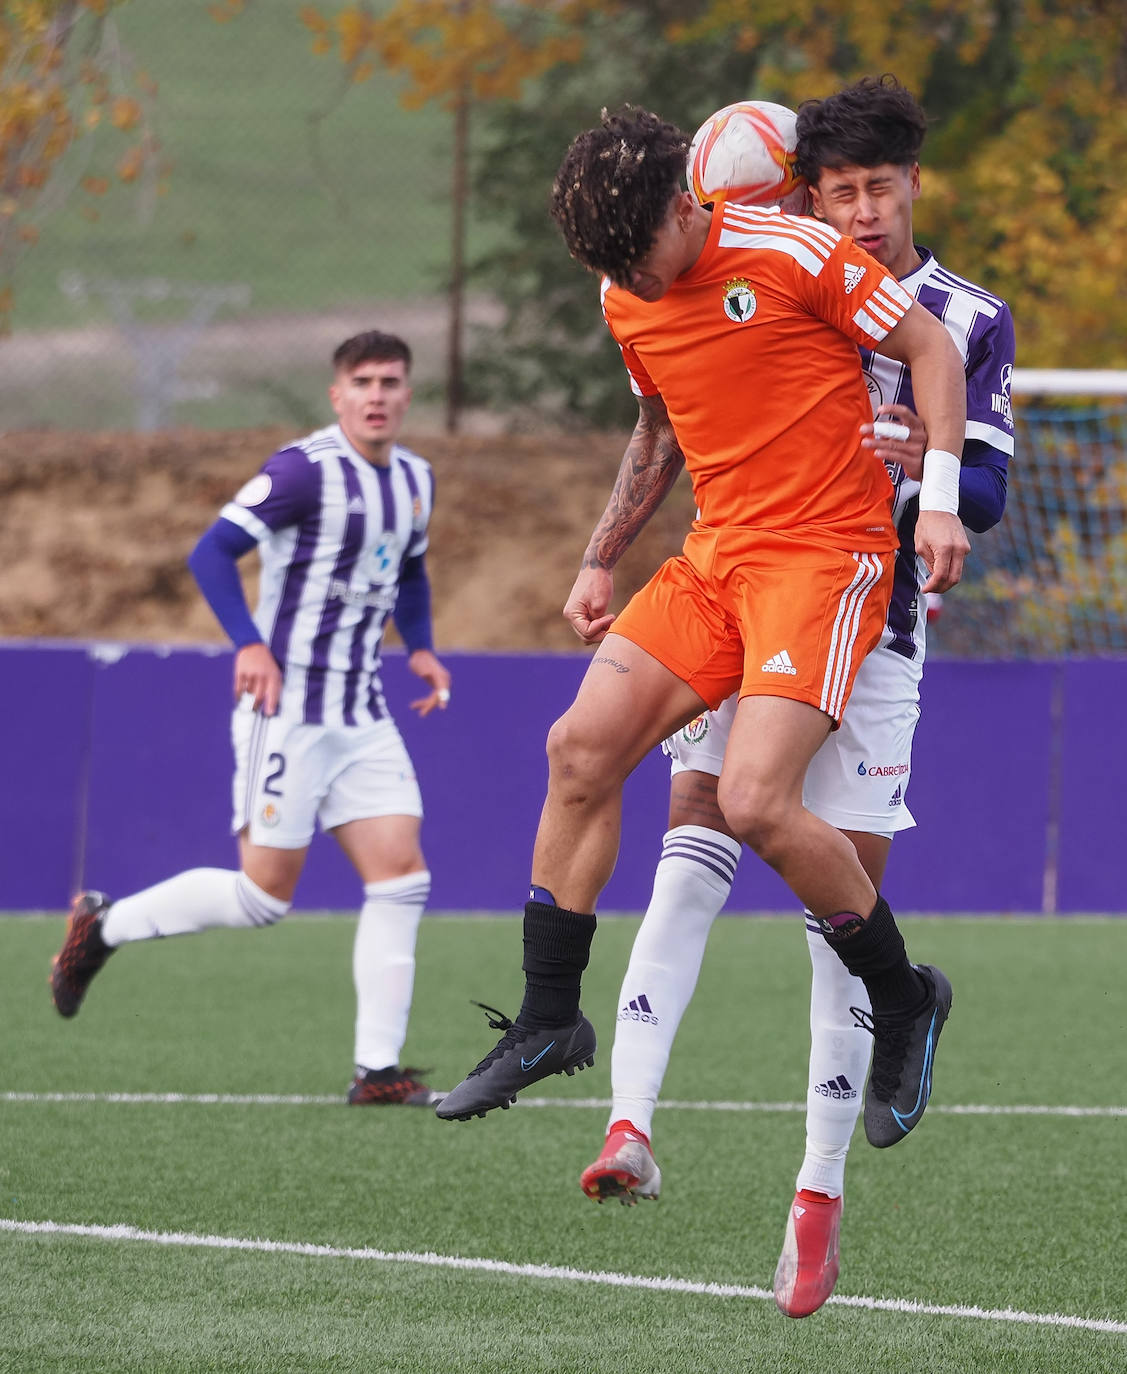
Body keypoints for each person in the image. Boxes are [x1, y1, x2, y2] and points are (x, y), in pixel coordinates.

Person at [436, 105, 970, 1149]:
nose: (632, 287)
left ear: (688, 205)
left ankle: (904, 998)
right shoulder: (619, 288)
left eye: (641, 261)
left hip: (824, 557)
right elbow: (657, 423)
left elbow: (931, 348)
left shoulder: (791, 248)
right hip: (714, 558)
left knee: (754, 802)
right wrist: (599, 554)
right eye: (613, 275)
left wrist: (940, 495)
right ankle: (549, 1019)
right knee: (578, 748)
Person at [578, 78, 1015, 1319]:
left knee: (840, 904)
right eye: (835, 194)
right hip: (753, 598)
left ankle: (813, 1201)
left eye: (878, 191)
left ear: (912, 188)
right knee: (692, 840)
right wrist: (606, 549)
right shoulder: (771, 268)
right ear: (797, 195)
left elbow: (980, 491)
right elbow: (677, 415)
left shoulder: (964, 316)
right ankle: (628, 1122)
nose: (858, 214)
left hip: (876, 634)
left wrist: (919, 472)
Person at [50, 330, 452, 1108]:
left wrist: (424, 650)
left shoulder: (414, 480)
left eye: (391, 382)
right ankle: (102, 926)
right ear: (337, 395)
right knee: (264, 898)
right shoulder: (305, 471)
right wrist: (249, 644)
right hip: (287, 707)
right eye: (362, 382)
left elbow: (408, 571)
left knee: (403, 873)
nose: (377, 395)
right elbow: (212, 552)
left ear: (407, 394)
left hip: (360, 709)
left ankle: (377, 1070)